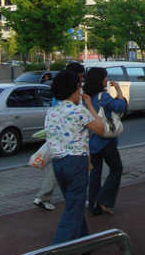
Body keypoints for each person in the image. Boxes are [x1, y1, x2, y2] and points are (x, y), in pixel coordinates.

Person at [46, 70, 105, 245]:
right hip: (76, 161)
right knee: (73, 209)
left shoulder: (52, 112)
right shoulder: (79, 111)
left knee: (74, 204)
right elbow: (100, 129)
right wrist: (91, 107)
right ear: (72, 90)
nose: (81, 92)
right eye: (79, 88)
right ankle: (58, 248)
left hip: (58, 162)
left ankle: (83, 243)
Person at [33, 63, 86, 211]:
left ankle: (46, 196)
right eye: (80, 77)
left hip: (58, 137)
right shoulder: (68, 95)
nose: (81, 81)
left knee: (59, 169)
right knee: (63, 170)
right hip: (68, 141)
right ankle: (45, 196)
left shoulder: (60, 91)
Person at [83, 67, 127, 216]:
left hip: (91, 139)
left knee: (95, 174)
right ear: (99, 79)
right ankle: (103, 199)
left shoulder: (85, 97)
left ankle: (93, 208)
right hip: (105, 140)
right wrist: (119, 91)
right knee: (116, 168)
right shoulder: (104, 96)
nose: (106, 80)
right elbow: (120, 106)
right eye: (105, 77)